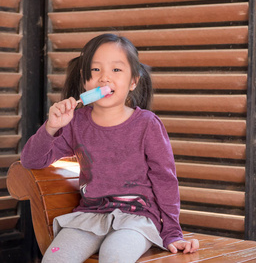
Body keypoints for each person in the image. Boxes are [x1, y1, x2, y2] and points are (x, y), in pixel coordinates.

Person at [21, 33, 199, 262]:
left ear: (133, 81)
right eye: (95, 70)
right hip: (89, 216)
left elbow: (165, 180)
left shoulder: (147, 124)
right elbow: (31, 160)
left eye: (116, 70)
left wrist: (172, 232)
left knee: (114, 256)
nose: (104, 78)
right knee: (55, 258)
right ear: (85, 80)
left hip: (137, 219)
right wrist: (51, 128)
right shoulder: (75, 123)